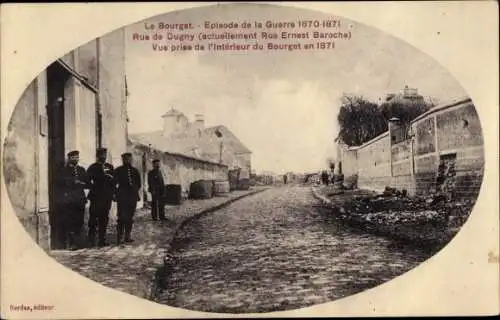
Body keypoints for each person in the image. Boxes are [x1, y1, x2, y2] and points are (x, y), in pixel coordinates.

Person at [57, 150, 88, 250]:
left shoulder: (82, 169)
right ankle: (71, 243)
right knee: (70, 221)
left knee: (79, 221)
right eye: (73, 157)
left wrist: (82, 183)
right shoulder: (63, 170)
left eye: (77, 157)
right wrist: (72, 181)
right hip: (69, 200)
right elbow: (60, 183)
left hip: (80, 199)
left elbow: (87, 183)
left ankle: (78, 242)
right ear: (69, 158)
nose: (76, 159)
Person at [86, 148, 115, 247]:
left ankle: (102, 240)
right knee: (93, 219)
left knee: (104, 219)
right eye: (101, 155)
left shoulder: (110, 167)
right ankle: (91, 241)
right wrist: (94, 186)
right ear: (97, 156)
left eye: (105, 155)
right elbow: (87, 181)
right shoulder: (92, 167)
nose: (103, 156)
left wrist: (113, 193)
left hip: (106, 197)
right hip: (96, 197)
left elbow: (114, 182)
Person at [113, 152, 141, 245]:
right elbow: (114, 184)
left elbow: (139, 184)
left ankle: (127, 236)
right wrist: (117, 194)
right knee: (121, 217)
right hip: (122, 197)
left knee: (130, 217)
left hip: (132, 197)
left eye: (129, 159)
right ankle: (120, 236)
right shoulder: (118, 170)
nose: (127, 160)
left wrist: (134, 191)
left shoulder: (135, 171)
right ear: (123, 160)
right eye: (125, 159)